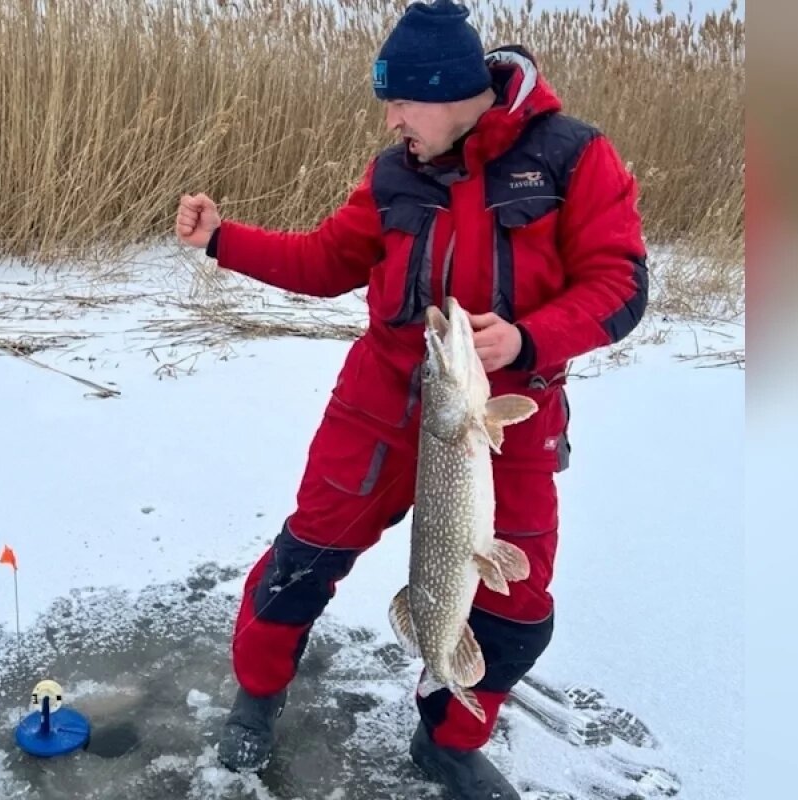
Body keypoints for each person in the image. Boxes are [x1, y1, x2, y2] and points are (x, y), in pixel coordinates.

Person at [174, 0, 648, 796]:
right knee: (300, 560)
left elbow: (621, 284)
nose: (391, 120)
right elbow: (327, 261)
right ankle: (257, 696)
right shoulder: (396, 170)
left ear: (452, 92)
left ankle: (448, 739)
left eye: (400, 102)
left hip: (504, 423)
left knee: (516, 603)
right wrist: (222, 239)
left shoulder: (571, 157)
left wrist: (527, 339)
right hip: (381, 406)